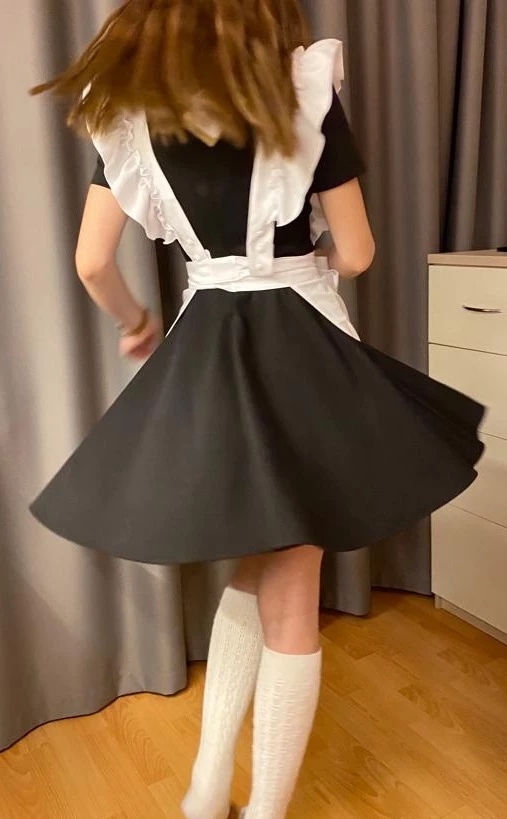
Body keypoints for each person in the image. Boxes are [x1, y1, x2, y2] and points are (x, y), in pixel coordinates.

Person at [30, 1, 484, 817]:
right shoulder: (300, 91)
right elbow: (358, 251)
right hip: (299, 340)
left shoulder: (131, 115)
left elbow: (91, 262)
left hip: (207, 344)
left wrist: (135, 322)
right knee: (292, 584)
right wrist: (313, 256)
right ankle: (262, 809)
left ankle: (206, 792)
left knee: (255, 561)